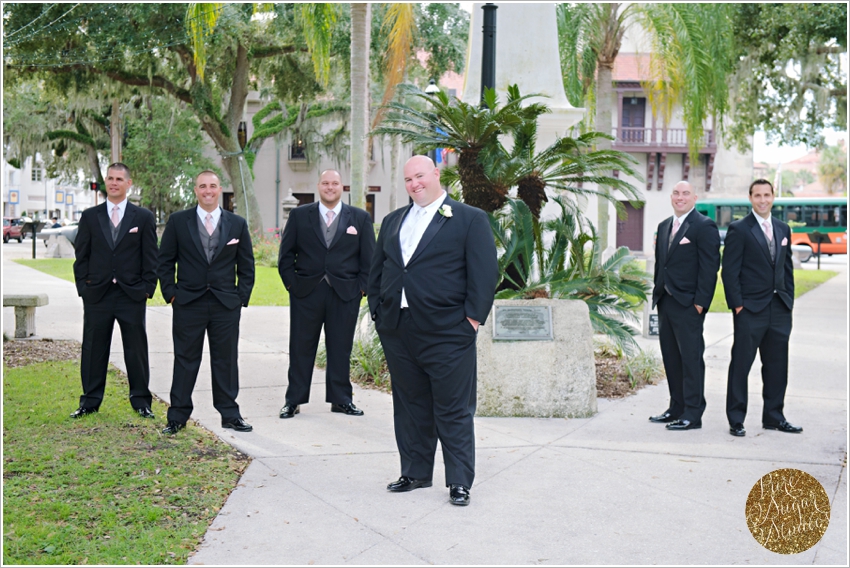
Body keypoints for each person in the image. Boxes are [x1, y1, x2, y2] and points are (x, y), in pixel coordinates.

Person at [367, 155, 499, 506]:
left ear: (436, 174)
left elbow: (485, 275)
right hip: (398, 329)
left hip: (448, 332)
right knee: (409, 405)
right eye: (409, 179)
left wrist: (471, 321)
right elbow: (378, 269)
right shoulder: (394, 220)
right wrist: (379, 314)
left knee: (453, 408)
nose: (415, 184)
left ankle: (459, 481)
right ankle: (414, 472)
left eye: (420, 176)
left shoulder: (470, 219)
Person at [157, 171, 255, 435]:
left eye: (212, 186)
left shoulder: (237, 223)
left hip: (225, 304)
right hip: (188, 302)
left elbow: (246, 265)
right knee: (185, 359)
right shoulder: (179, 222)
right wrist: (171, 294)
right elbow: (165, 261)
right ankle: (177, 416)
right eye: (203, 186)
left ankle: (229, 414)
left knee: (226, 360)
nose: (208, 191)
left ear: (219, 189)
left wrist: (240, 298)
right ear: (195, 190)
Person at [277, 170, 375, 419]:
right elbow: (286, 256)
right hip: (306, 293)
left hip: (345, 294)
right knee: (300, 347)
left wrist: (360, 289)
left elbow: (370, 261)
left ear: (342, 187)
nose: (330, 187)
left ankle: (341, 400)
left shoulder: (360, 218)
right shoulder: (300, 215)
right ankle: (294, 400)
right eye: (325, 183)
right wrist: (292, 286)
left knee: (341, 348)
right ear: (318, 186)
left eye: (335, 183)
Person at [71, 163, 157, 419]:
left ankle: (141, 402)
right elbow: (81, 256)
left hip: (132, 295)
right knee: (93, 349)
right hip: (97, 294)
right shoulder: (90, 216)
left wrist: (146, 289)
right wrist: (83, 288)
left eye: (119, 179)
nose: (114, 182)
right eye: (110, 178)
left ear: (128, 183)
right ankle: (89, 402)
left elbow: (150, 257)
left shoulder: (142, 217)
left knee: (136, 350)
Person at [721, 179, 801, 437]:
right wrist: (738, 306)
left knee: (777, 365)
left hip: (779, 308)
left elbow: (786, 269)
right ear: (750, 197)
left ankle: (774, 417)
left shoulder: (783, 228)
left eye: (767, 195)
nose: (763, 200)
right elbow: (729, 273)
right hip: (750, 310)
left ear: (773, 196)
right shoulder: (739, 229)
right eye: (758, 195)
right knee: (741, 365)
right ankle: (736, 419)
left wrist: (788, 300)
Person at [650, 180, 721, 431]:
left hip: (689, 304)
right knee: (671, 357)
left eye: (686, 193)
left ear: (694, 198)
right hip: (666, 302)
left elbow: (709, 268)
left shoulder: (704, 226)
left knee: (690, 360)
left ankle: (693, 413)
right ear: (672, 197)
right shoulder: (664, 226)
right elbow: (662, 264)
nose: (680, 197)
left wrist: (700, 303)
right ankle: (676, 407)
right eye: (677, 193)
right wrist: (657, 293)